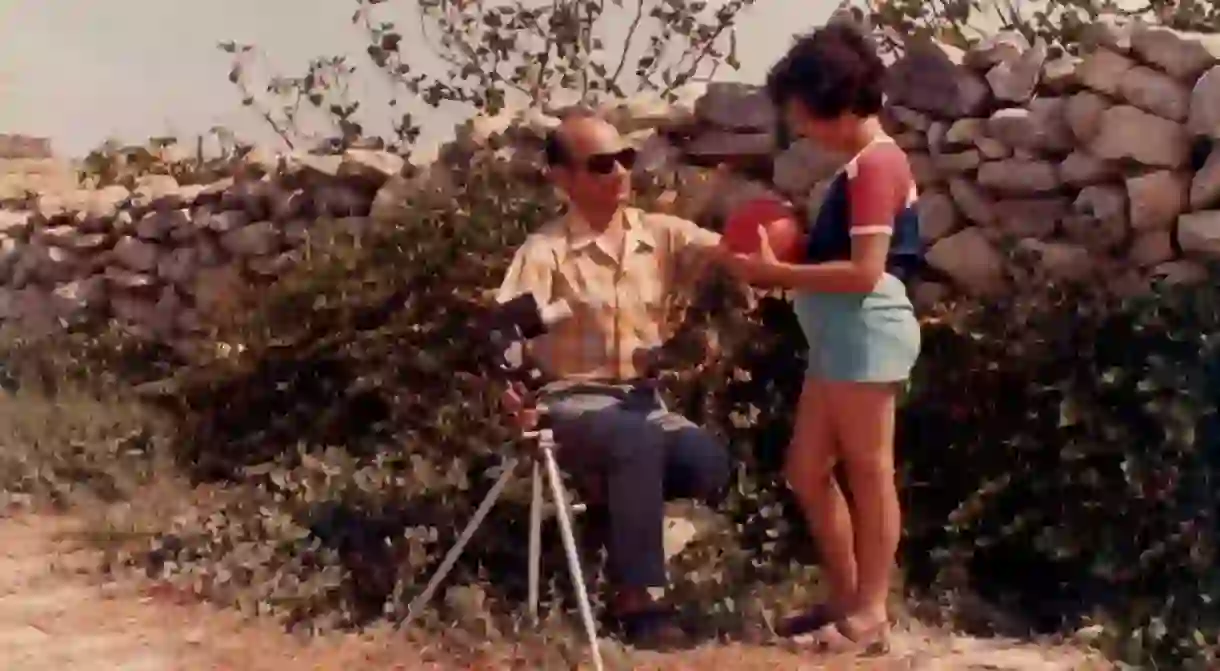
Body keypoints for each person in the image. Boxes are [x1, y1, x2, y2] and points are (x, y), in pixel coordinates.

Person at [722, 23, 922, 655]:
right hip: (838, 335)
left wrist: (776, 273)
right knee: (807, 469)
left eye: (802, 114)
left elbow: (866, 272)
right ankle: (847, 596)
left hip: (864, 331)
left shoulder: (875, 167)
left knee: (869, 469)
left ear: (829, 100)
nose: (800, 127)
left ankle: (869, 614)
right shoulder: (860, 167)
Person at [496, 109, 730, 648]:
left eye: (626, 158)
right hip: (568, 401)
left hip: (640, 402)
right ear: (562, 177)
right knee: (635, 439)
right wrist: (514, 399)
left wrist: (782, 241)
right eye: (602, 164)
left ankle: (613, 513)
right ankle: (638, 600)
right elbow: (504, 334)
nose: (621, 172)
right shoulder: (545, 252)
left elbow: (732, 254)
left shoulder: (659, 235)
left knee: (709, 464)